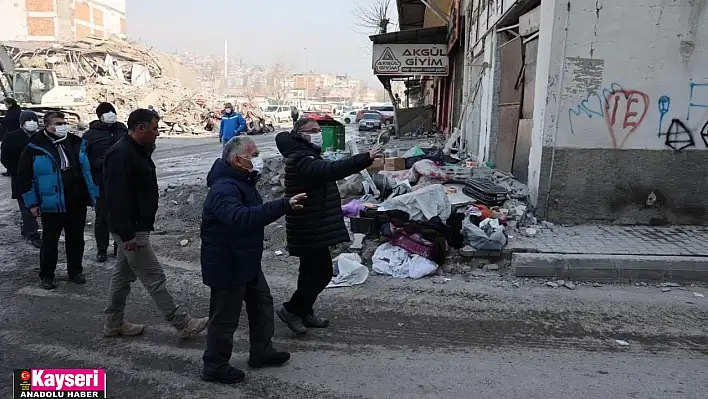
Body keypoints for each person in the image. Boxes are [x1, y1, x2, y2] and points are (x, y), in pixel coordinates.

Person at [200, 136, 307, 383]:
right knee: (225, 316)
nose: (256, 159)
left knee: (261, 303)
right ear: (237, 160)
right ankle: (215, 365)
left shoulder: (241, 181)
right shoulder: (223, 188)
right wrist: (283, 205)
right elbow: (240, 218)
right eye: (253, 155)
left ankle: (261, 351)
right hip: (227, 262)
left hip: (244, 258)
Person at [103, 108, 208, 339]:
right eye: (154, 128)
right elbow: (115, 197)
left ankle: (113, 323)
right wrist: (127, 234)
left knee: (122, 276)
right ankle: (182, 323)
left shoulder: (137, 150)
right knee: (154, 277)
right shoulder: (121, 154)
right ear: (140, 128)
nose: (157, 133)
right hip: (130, 229)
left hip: (135, 226)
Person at [274, 118, 383, 335]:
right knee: (322, 273)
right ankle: (291, 309)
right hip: (309, 226)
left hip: (311, 224)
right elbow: (330, 170)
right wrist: (364, 158)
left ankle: (305, 311)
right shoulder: (301, 158)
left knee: (307, 272)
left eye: (318, 130)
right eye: (312, 130)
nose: (317, 134)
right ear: (300, 133)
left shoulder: (305, 153)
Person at [17, 111, 99, 289]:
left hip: (75, 201)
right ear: (47, 125)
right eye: (58, 123)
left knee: (76, 240)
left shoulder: (76, 143)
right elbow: (24, 178)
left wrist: (93, 194)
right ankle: (47, 276)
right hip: (51, 203)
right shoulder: (35, 147)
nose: (62, 126)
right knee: (50, 242)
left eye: (64, 122)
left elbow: (87, 171)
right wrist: (32, 203)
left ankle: (75, 271)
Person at [83, 102, 128, 262]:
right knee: (102, 217)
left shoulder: (123, 130)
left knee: (121, 215)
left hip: (123, 181)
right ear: (99, 116)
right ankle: (101, 249)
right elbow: (84, 160)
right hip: (101, 181)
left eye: (112, 111)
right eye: (106, 112)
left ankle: (119, 249)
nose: (110, 114)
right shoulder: (90, 135)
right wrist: (101, 163)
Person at [1, 110, 42, 247]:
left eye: (34, 120)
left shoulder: (40, 136)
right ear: (21, 123)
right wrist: (17, 171)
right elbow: (5, 157)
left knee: (36, 206)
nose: (31, 123)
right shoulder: (12, 137)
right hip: (21, 178)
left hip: (38, 177)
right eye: (28, 120)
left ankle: (27, 228)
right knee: (27, 206)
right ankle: (33, 234)